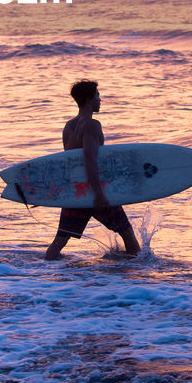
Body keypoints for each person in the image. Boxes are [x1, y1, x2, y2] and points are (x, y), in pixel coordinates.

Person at [44, 80, 141, 260]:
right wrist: (98, 194)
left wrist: (53, 192)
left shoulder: (68, 126)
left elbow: (69, 164)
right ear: (89, 99)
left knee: (60, 240)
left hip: (76, 193)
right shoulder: (92, 125)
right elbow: (89, 159)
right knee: (127, 233)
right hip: (94, 190)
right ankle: (137, 276)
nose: (100, 99)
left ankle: (41, 274)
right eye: (97, 95)